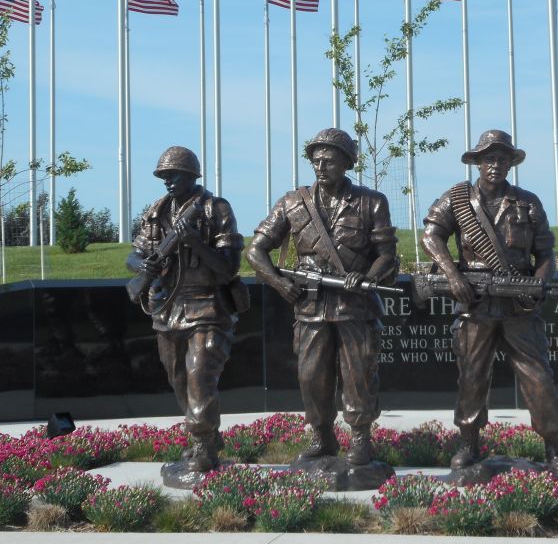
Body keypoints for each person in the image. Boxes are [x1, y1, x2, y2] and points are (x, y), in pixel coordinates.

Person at [421, 130, 558, 483]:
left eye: (502, 158)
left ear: (511, 162)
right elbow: (431, 236)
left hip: (518, 304)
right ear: (477, 162)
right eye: (489, 158)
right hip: (474, 303)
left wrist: (538, 283)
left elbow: (546, 253)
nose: (496, 165)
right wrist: (453, 275)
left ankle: (555, 446)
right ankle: (468, 443)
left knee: (538, 376)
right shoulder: (456, 198)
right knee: (472, 376)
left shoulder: (527, 202)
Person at [246, 128, 398, 466]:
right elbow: (256, 251)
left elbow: (388, 255)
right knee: (311, 376)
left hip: (355, 306)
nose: (320, 166)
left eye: (329, 160)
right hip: (311, 308)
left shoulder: (371, 201)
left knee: (359, 374)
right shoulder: (291, 203)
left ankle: (360, 440)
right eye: (316, 160)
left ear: (346, 162)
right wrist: (279, 283)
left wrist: (368, 278)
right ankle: (322, 438)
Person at [126, 146, 243, 473]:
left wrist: (194, 243)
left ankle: (203, 446)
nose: (167, 181)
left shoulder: (214, 209)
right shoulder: (155, 211)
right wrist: (145, 265)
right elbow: (132, 255)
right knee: (179, 378)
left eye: (172, 175)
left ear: (191, 174)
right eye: (163, 176)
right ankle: (208, 437)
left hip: (207, 306)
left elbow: (228, 269)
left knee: (199, 377)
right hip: (166, 307)